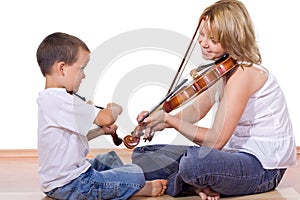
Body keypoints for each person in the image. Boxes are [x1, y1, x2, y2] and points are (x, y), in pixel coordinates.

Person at [131, 0, 296, 199]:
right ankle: (197, 183)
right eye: (201, 34)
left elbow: (216, 141)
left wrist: (170, 121)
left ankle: (194, 181)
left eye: (213, 39)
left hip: (263, 168)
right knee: (143, 156)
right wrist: (159, 120)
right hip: (231, 157)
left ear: (233, 39)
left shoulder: (243, 74)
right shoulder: (223, 70)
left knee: (194, 163)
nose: (202, 42)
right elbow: (195, 111)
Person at [36, 32, 167, 199]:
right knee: (136, 173)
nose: (84, 75)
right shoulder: (60, 99)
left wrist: (101, 131)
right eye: (81, 69)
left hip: (60, 182)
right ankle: (135, 188)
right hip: (74, 184)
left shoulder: (50, 99)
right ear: (62, 68)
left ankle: (119, 184)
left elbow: (72, 140)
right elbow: (107, 117)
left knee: (109, 158)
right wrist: (115, 107)